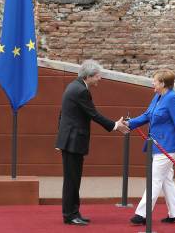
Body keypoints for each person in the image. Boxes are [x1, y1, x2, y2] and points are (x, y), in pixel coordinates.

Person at [55, 59, 129, 226]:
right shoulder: (81, 91)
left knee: (72, 179)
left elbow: (63, 114)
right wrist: (115, 125)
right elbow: (93, 114)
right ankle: (70, 215)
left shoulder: (73, 86)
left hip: (69, 140)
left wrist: (61, 139)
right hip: (73, 142)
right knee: (72, 180)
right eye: (97, 76)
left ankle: (73, 213)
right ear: (88, 76)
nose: (100, 79)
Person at [125, 69, 175, 225]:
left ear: (163, 83)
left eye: (154, 81)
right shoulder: (158, 96)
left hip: (168, 147)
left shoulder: (173, 98)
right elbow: (147, 115)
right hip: (158, 145)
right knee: (166, 179)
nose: (152, 83)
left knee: (155, 179)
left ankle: (142, 214)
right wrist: (129, 124)